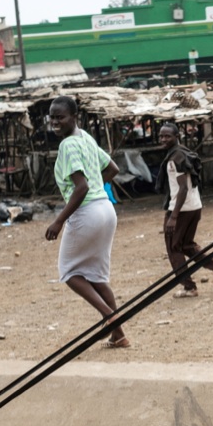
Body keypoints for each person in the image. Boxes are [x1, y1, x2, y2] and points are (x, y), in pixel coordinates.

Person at [45, 96, 128, 349]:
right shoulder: (86, 138)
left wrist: (59, 221)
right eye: (52, 117)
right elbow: (112, 169)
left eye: (60, 117)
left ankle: (109, 316)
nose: (55, 122)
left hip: (87, 212)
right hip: (106, 209)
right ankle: (119, 335)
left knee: (69, 272)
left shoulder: (68, 144)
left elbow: (80, 188)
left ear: (74, 117)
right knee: (95, 276)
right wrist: (96, 186)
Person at [155, 122, 213, 298]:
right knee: (187, 245)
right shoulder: (184, 152)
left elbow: (182, 188)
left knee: (174, 248)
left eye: (167, 136)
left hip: (181, 209)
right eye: (161, 136)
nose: (163, 139)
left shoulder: (174, 159)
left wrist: (173, 217)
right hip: (194, 206)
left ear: (176, 137)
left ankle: (189, 287)